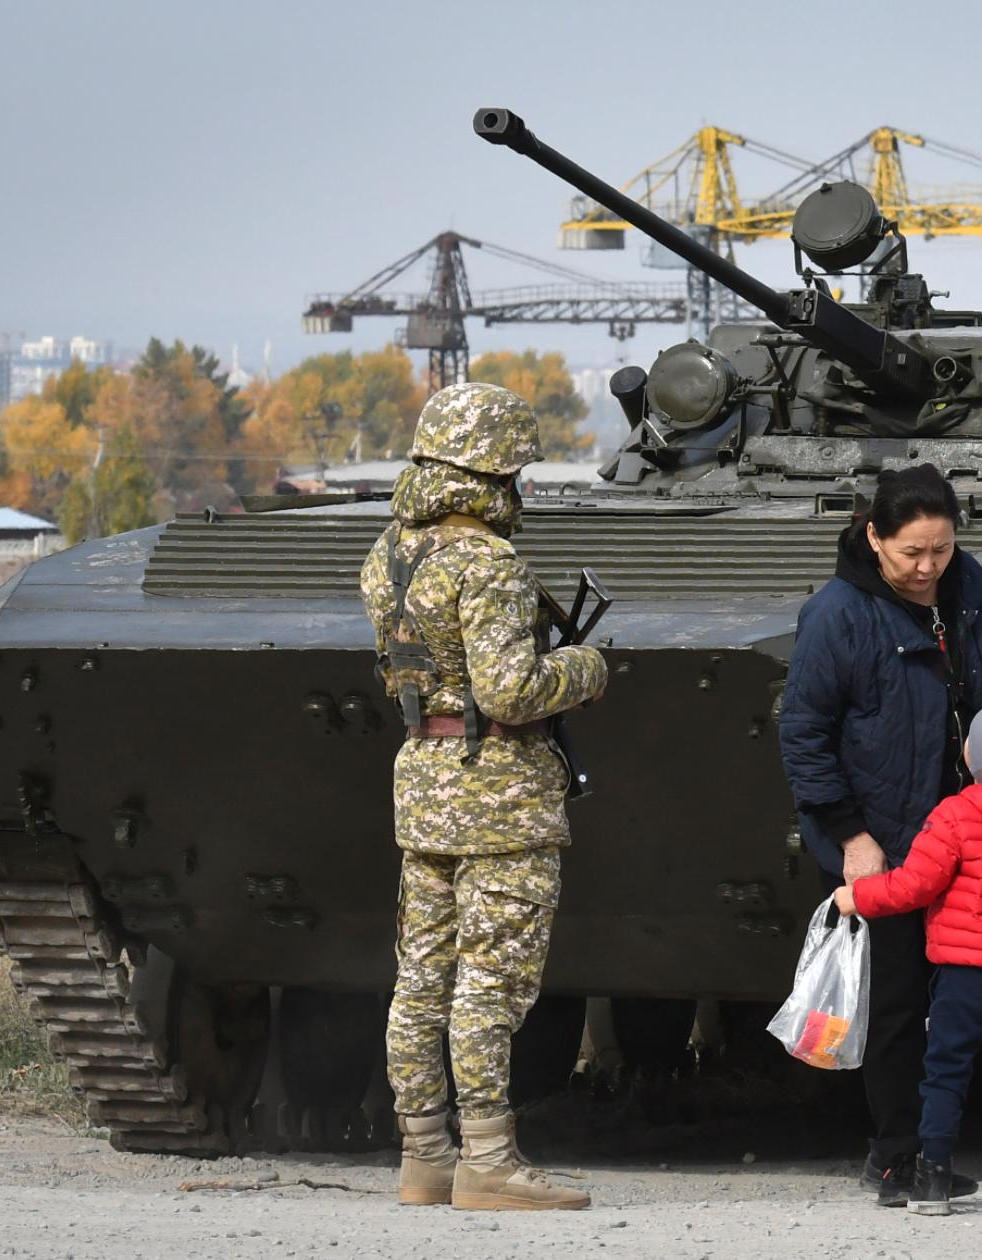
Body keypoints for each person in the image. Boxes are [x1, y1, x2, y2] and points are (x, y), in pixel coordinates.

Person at [360, 382, 609, 1212]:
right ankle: (491, 1163)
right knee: (490, 984)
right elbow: (508, 692)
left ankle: (424, 1156)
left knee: (421, 978)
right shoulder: (488, 564)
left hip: (424, 784)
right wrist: (585, 669)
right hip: (500, 795)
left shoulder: (390, 554)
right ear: (496, 473)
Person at [778, 463, 982, 1207]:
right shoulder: (839, 614)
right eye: (911, 552)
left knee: (960, 1003)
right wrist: (849, 835)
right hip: (880, 842)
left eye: (941, 550)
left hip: (966, 833)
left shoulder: (969, 590)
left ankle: (940, 1149)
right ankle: (897, 1159)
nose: (926, 568)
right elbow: (805, 734)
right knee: (893, 1004)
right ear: (873, 535)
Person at [834, 701, 982, 1216]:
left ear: (973, 757)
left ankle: (932, 1181)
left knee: (944, 1075)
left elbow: (916, 885)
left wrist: (861, 898)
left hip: (964, 975)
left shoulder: (957, 814)